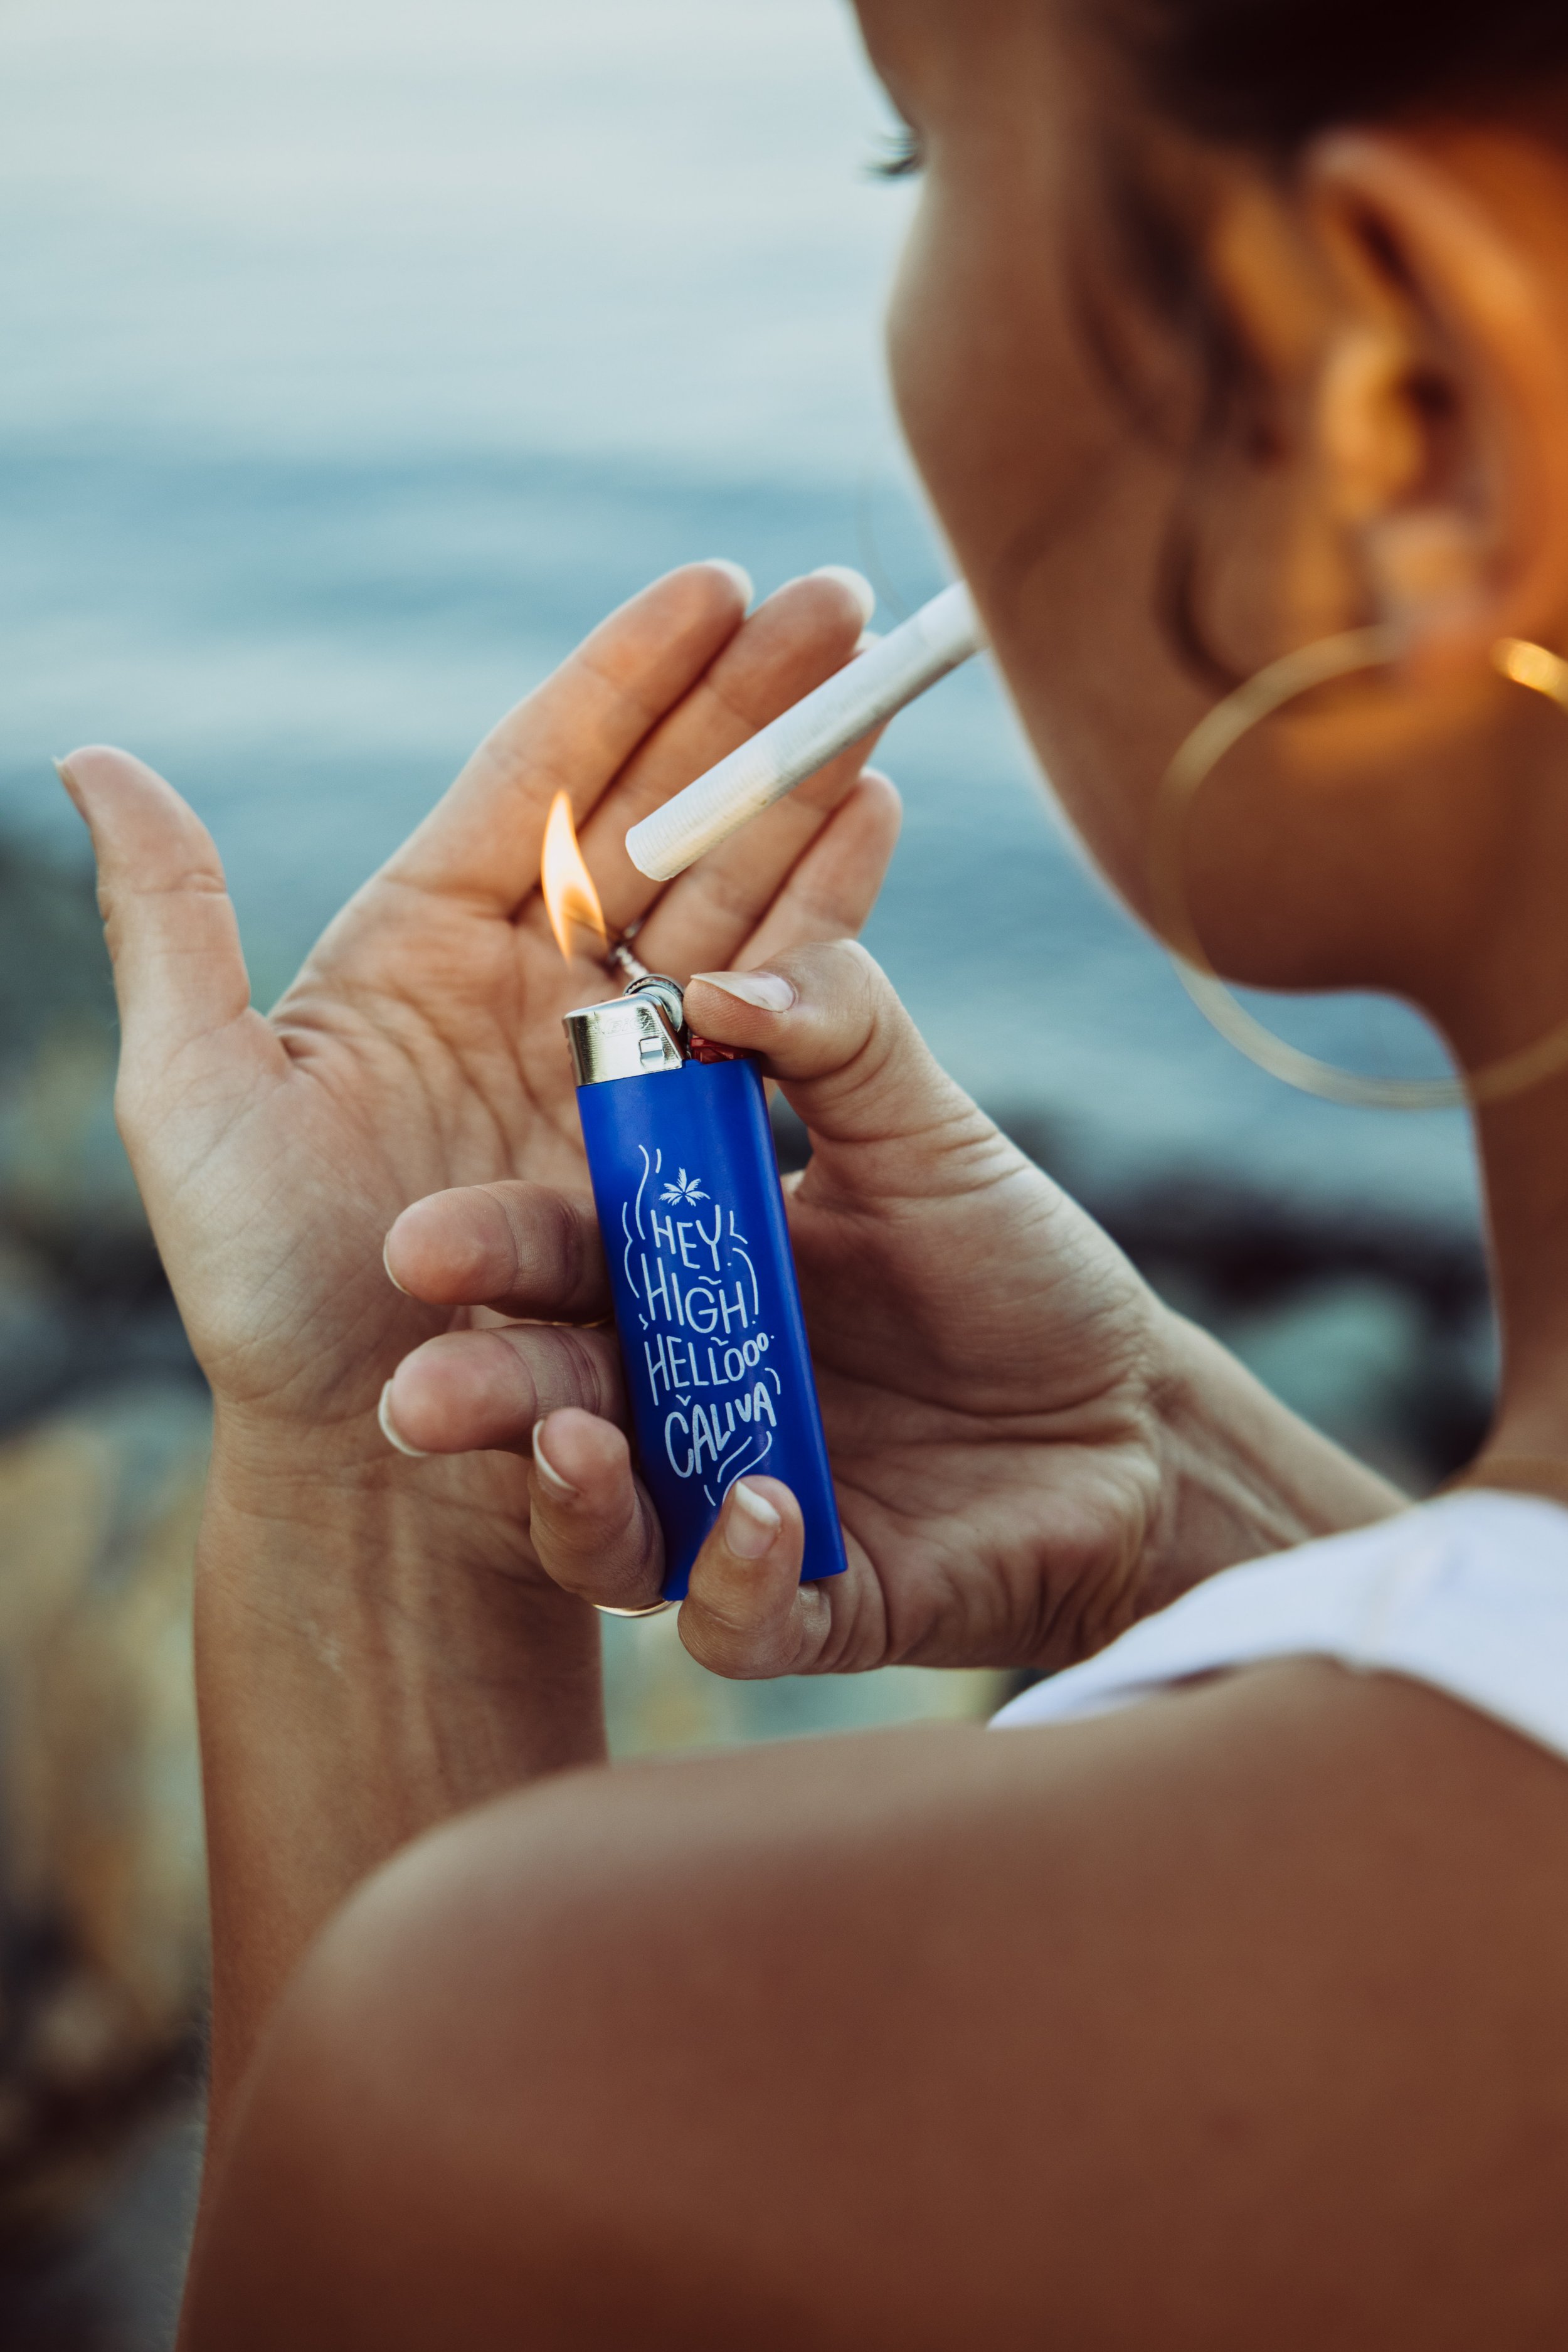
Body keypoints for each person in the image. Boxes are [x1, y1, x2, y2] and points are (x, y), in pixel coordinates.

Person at [55, 0, 1568, 2336]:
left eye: (912, 157)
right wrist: (1174, 1483)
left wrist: (376, 1477)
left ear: (1388, 394)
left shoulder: (648, 2091)